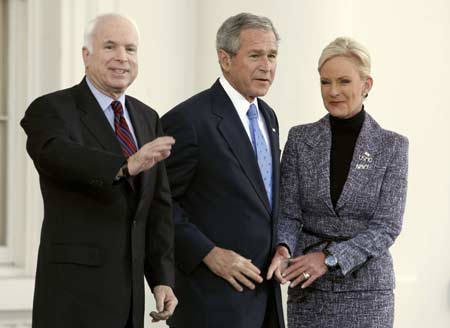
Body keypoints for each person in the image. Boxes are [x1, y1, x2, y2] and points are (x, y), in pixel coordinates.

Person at [21, 13, 177, 328]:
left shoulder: (148, 118)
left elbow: (158, 206)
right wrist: (124, 165)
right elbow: (55, 154)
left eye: (130, 49)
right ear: (86, 55)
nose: (122, 58)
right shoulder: (51, 109)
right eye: (110, 47)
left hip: (131, 303)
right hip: (74, 299)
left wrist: (161, 279)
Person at [267, 37, 409, 327]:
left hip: (367, 292)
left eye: (344, 81)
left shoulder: (392, 146)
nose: (333, 92)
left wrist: (329, 258)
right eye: (325, 82)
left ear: (366, 85)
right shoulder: (300, 138)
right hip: (307, 288)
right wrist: (283, 249)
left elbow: (387, 227)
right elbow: (290, 213)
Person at [161, 12, 285, 328]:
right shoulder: (188, 120)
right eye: (255, 55)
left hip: (264, 300)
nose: (267, 66)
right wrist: (209, 253)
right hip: (211, 303)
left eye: (272, 55)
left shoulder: (268, 117)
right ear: (225, 59)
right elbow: (159, 203)